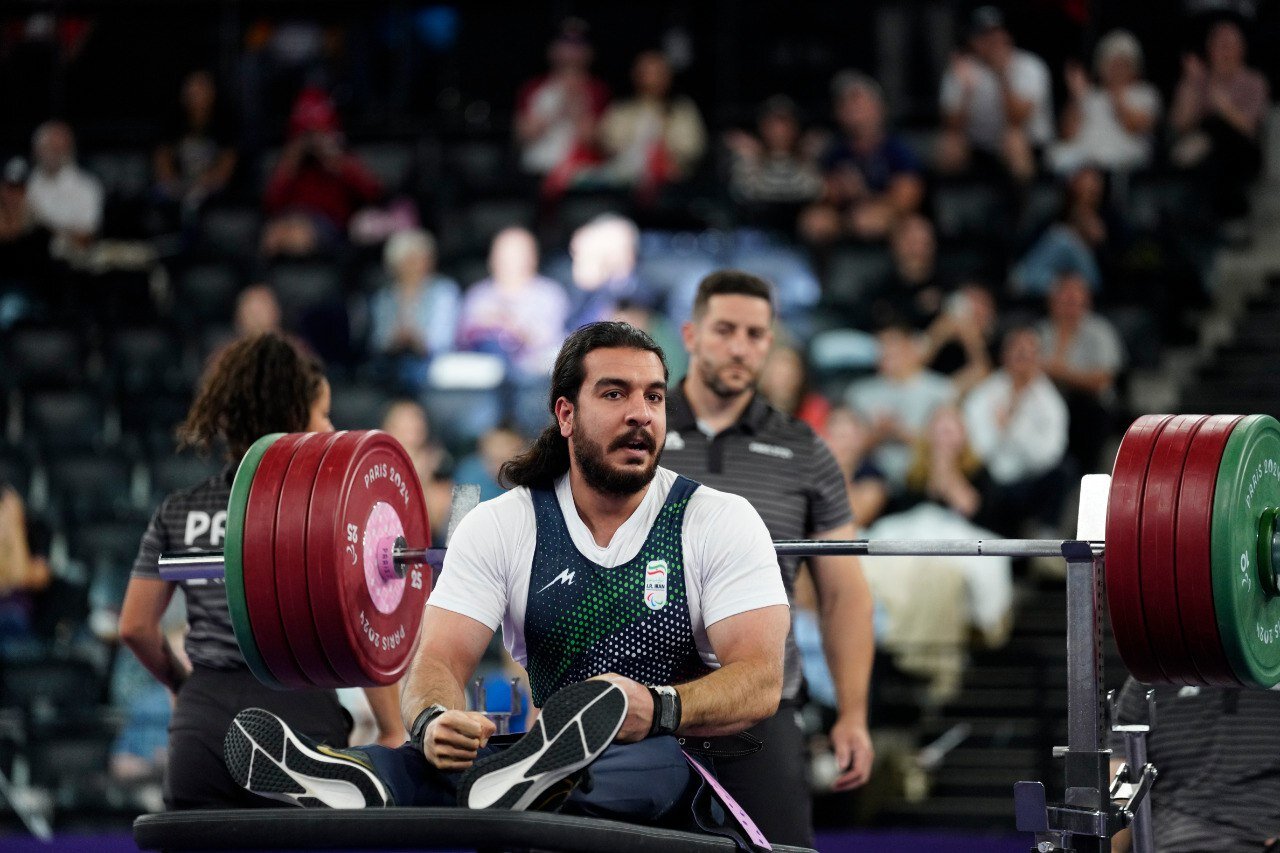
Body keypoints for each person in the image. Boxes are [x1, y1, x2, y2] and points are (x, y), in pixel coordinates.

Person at [221, 322, 791, 839]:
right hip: (533, 760)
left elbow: (761, 680)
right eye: (615, 394)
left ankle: (484, 783)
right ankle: (371, 776)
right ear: (566, 415)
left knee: (646, 762)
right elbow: (436, 660)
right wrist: (435, 719)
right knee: (439, 760)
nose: (641, 413)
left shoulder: (717, 519)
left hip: (669, 761)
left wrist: (659, 707)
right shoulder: (502, 524)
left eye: (655, 397)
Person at [119, 332, 405, 809]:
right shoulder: (327, 511)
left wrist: (182, 685)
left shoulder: (180, 508)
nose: (330, 426)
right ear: (294, 416)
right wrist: (393, 729)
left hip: (201, 729)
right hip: (299, 726)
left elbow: (134, 626)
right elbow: (362, 628)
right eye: (323, 414)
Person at [659, 271, 876, 847]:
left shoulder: (806, 451)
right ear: (691, 335)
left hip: (761, 705)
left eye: (755, 334)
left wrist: (853, 714)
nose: (740, 347)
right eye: (724, 330)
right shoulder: (638, 432)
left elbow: (844, 593)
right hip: (641, 702)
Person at [1109, 677, 1280, 853]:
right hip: (1176, 838)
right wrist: (1111, 845)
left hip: (1264, 834)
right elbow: (1125, 779)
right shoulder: (1148, 673)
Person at [960, 326, 1069, 537]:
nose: (1023, 357)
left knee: (1064, 471)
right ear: (1004, 355)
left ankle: (1045, 535)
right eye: (1017, 351)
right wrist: (999, 432)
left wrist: (1013, 428)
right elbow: (979, 450)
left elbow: (1050, 455)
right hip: (992, 480)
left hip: (1031, 480)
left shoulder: (1050, 402)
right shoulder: (983, 394)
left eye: (1029, 352)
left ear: (1039, 358)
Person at [800, 70, 925, 244]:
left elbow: (907, 199)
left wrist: (863, 194)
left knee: (901, 226)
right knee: (815, 220)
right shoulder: (834, 151)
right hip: (845, 217)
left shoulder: (898, 149)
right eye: (844, 103)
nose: (851, 108)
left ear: (878, 107)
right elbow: (823, 192)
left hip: (889, 218)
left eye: (856, 100)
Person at [260, 86, 383, 257]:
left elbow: (374, 194)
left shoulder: (342, 157)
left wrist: (335, 160)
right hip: (290, 217)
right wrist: (292, 158)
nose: (313, 139)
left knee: (299, 235)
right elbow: (270, 203)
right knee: (272, 235)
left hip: (328, 224)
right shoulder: (291, 163)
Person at [937, 6, 1053, 183]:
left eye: (996, 35)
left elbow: (1017, 118)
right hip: (981, 147)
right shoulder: (963, 67)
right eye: (984, 36)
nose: (992, 42)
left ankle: (1022, 198)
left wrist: (1001, 75)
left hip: (1030, 146)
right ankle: (950, 199)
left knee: (1013, 139)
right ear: (972, 40)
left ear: (1007, 36)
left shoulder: (1029, 65)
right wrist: (966, 94)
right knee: (950, 143)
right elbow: (951, 125)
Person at [1169, 18, 1269, 218]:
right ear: (1209, 50)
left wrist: (1221, 104)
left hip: (1242, 153)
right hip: (1205, 162)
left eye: (1230, 46)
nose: (1225, 53)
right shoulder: (1197, 79)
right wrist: (1192, 84)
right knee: (1209, 164)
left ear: (1241, 50)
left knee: (1216, 126)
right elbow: (1179, 125)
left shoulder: (1254, 81)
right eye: (1220, 46)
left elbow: (1248, 127)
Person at [1037, 272, 1125, 473]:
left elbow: (1103, 380)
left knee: (1086, 413)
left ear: (1086, 301)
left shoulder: (1100, 331)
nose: (1069, 305)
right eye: (1064, 299)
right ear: (1052, 301)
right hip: (1047, 402)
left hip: (1089, 405)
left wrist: (1060, 373)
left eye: (1074, 299)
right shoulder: (1041, 331)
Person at [456, 226, 569, 378]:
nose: (511, 261)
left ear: (533, 257)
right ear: (492, 258)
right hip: (482, 376)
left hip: (531, 377)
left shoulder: (550, 294)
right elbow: (461, 342)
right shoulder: (478, 295)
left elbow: (553, 344)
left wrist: (515, 328)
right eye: (505, 254)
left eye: (519, 254)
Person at [514, 18, 610, 196]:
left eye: (578, 43)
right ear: (553, 49)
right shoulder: (533, 88)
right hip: (538, 171)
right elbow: (523, 135)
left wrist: (575, 103)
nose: (571, 51)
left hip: (581, 175)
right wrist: (557, 104)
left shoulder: (597, 90)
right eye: (566, 42)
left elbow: (595, 140)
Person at [1047, 30, 1161, 177]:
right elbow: (1067, 134)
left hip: (1123, 156)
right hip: (1085, 158)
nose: (1116, 70)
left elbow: (1135, 126)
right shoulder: (1089, 95)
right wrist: (1076, 99)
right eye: (1112, 64)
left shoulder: (1145, 93)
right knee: (1056, 156)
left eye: (1122, 64)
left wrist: (1117, 96)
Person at [598, 51, 707, 197]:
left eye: (659, 73)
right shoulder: (621, 110)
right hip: (623, 186)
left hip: (672, 186)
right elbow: (608, 143)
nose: (653, 79)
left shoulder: (682, 110)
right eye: (647, 73)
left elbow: (693, 148)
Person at [368, 228, 461, 390]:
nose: (417, 265)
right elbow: (378, 340)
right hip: (391, 362)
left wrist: (416, 340)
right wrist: (396, 340)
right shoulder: (384, 297)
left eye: (422, 259)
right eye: (409, 260)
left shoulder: (444, 292)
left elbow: (444, 340)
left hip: (431, 362)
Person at [151, 70, 239, 227]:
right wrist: (176, 186)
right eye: (191, 90)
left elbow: (225, 169)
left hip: (211, 190)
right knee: (158, 196)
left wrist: (201, 187)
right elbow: (162, 163)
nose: (195, 95)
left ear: (212, 93)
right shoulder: (172, 122)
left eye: (201, 89)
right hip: (177, 187)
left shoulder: (225, 124)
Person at [26, 120, 103, 254]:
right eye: (49, 147)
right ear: (36, 149)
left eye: (60, 148)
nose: (54, 153)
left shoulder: (87, 186)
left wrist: (44, 228)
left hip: (69, 262)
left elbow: (86, 238)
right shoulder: (24, 184)